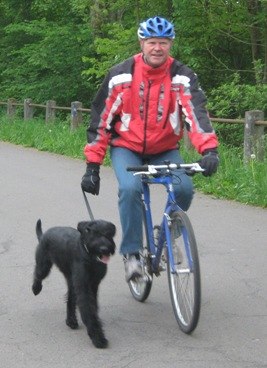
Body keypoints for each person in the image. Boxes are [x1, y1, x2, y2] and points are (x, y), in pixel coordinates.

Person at [81, 16, 219, 282]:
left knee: (184, 189)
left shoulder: (182, 76)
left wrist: (209, 150)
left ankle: (168, 235)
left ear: (171, 44)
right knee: (131, 189)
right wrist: (92, 166)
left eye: (164, 43)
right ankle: (132, 254)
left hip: (165, 148)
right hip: (126, 147)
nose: (158, 48)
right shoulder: (121, 75)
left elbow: (196, 114)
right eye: (152, 42)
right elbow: (101, 120)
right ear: (142, 43)